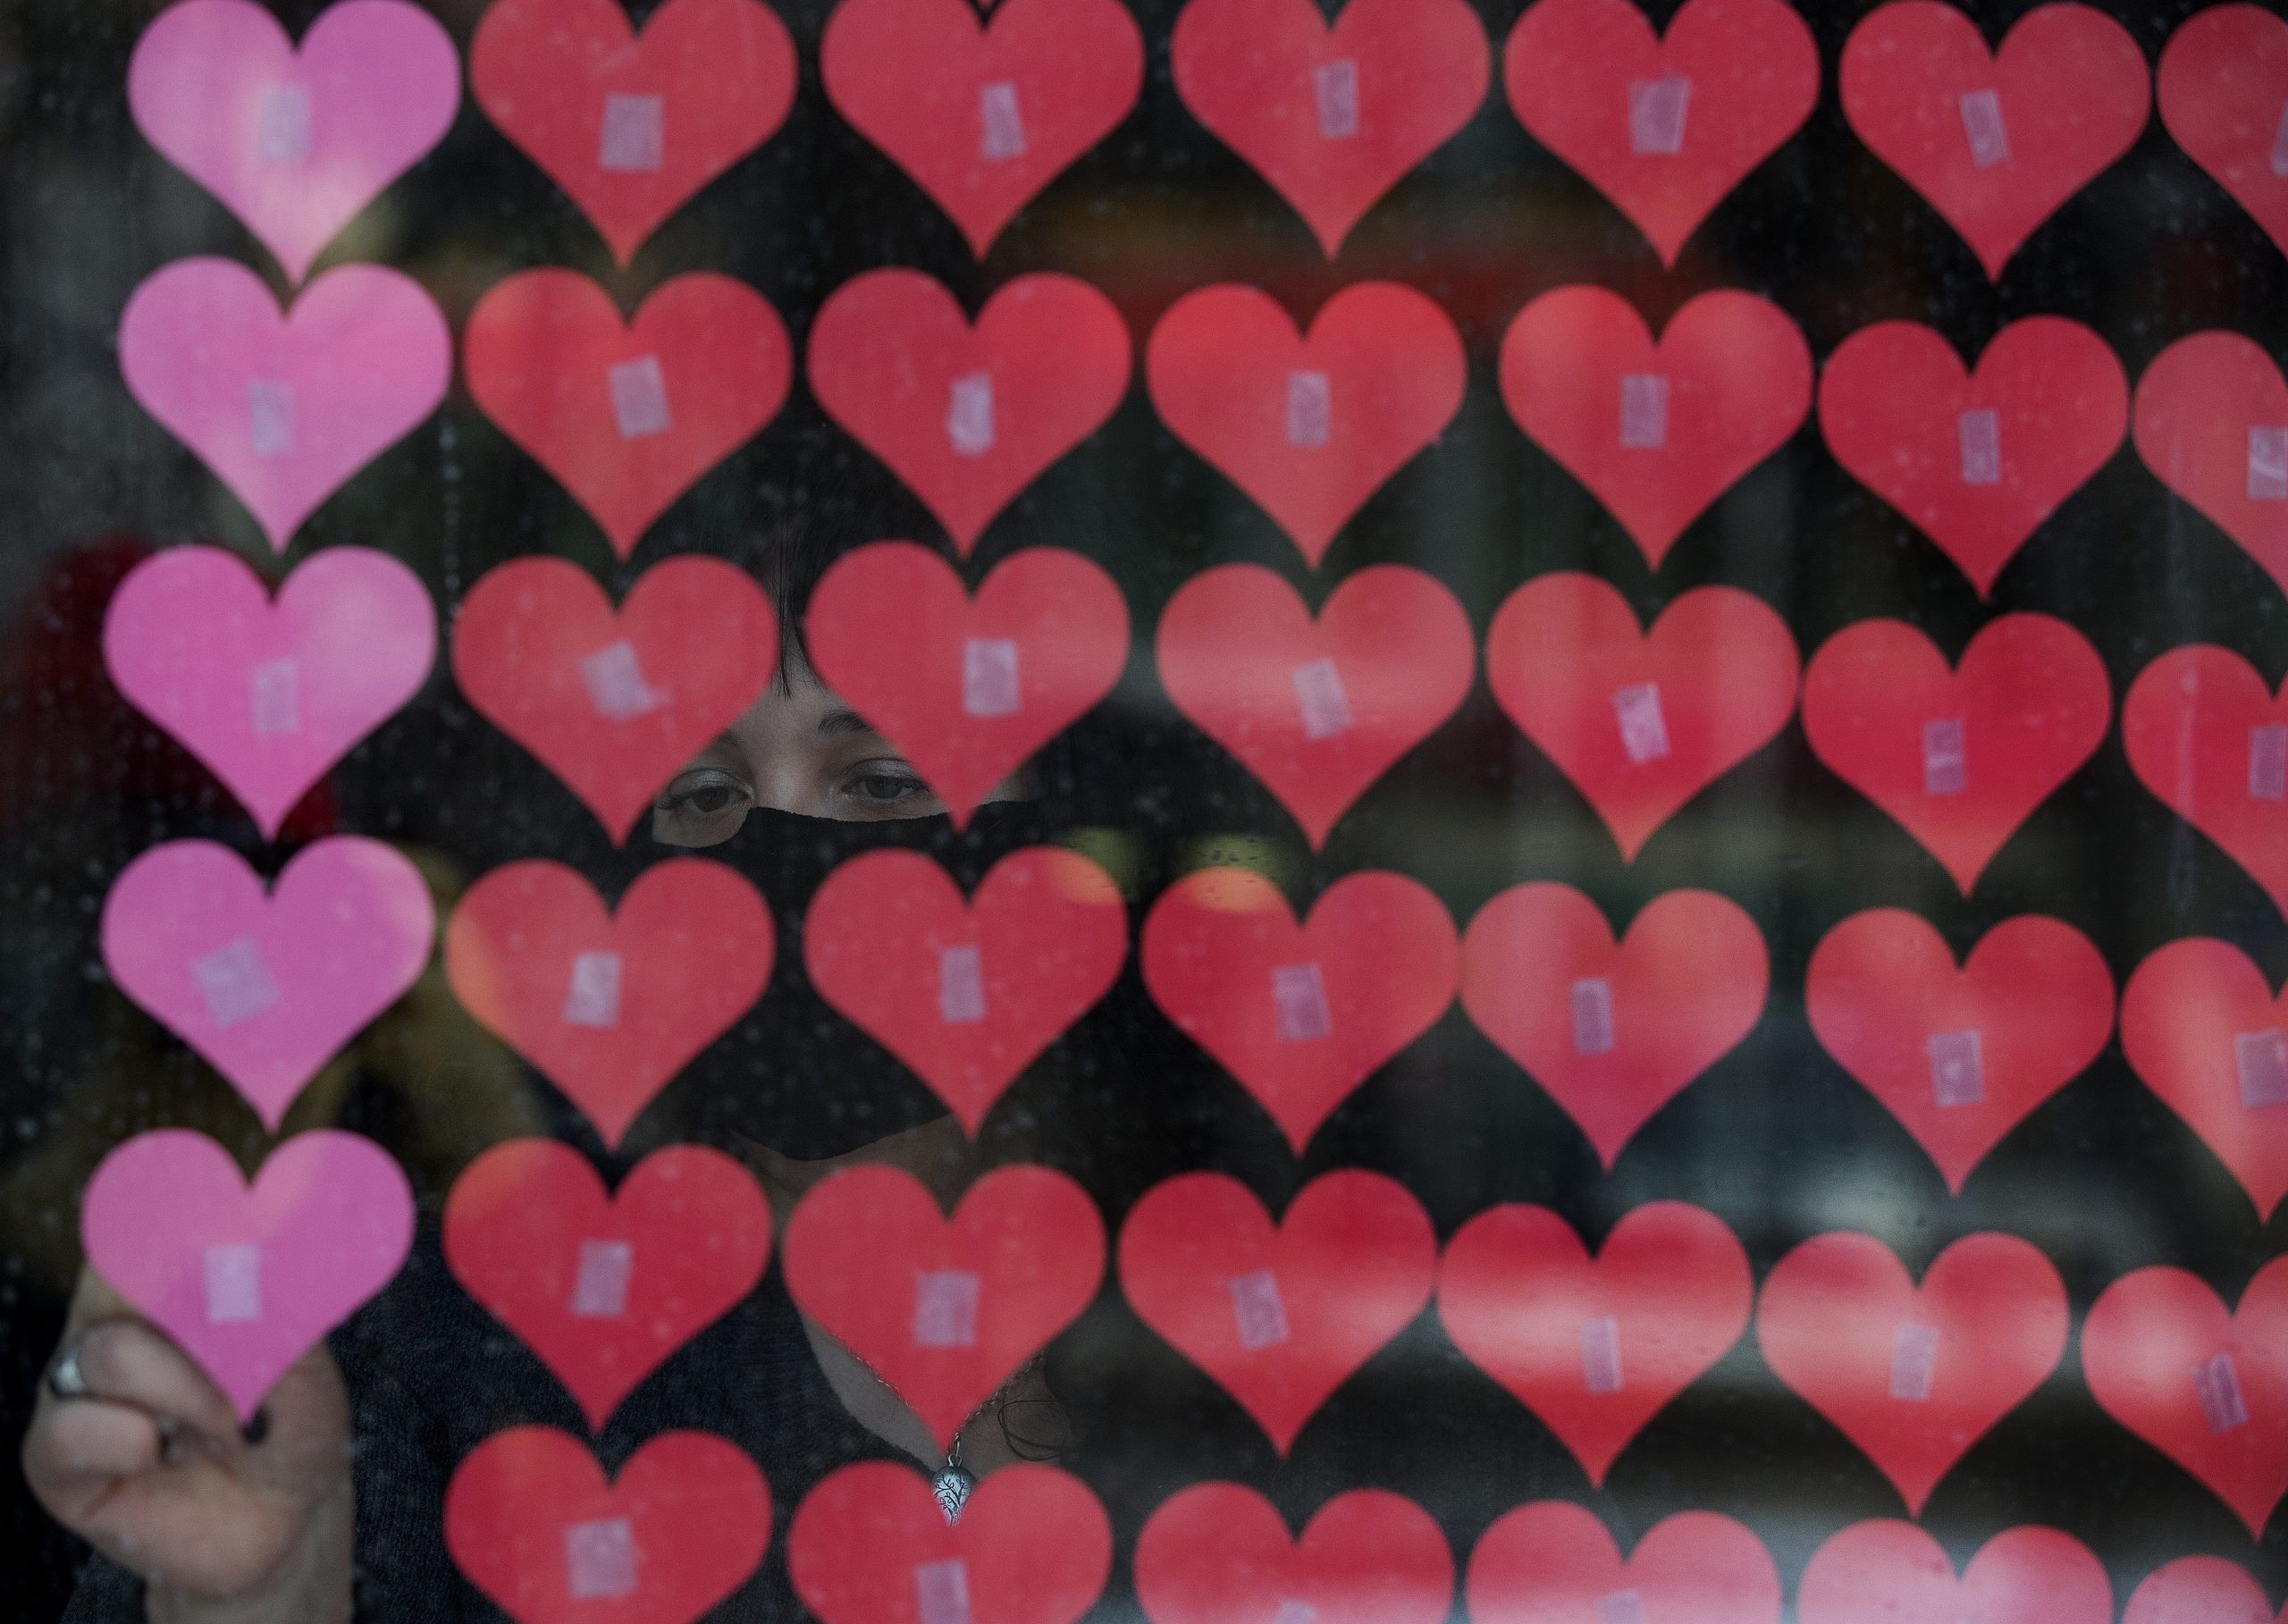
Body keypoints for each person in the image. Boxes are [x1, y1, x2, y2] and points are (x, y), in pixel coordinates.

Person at [24, 525, 1072, 1622]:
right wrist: (264, 1599)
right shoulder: (439, 1346)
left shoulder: (1215, 1312)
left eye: (881, 779)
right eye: (707, 795)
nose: (781, 849)